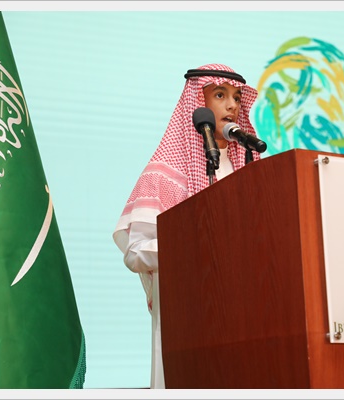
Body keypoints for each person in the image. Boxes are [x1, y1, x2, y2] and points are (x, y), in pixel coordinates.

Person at [112, 63, 261, 388]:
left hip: (246, 313)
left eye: (237, 97)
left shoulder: (251, 169)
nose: (232, 105)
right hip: (185, 317)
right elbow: (135, 253)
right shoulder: (164, 173)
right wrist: (191, 247)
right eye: (220, 95)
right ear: (197, 104)